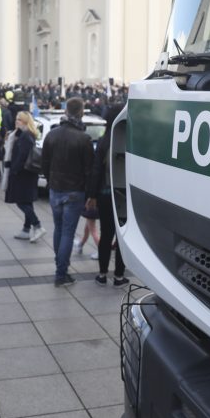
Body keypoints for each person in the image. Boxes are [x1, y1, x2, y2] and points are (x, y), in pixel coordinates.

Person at [41, 96, 94, 287]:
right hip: (74, 191)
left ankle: (60, 268)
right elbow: (89, 170)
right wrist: (90, 194)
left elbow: (44, 164)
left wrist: (50, 181)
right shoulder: (84, 138)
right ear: (81, 112)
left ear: (65, 111)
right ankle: (61, 273)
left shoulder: (52, 135)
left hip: (56, 189)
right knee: (67, 233)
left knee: (59, 230)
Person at [86, 104, 129, 287]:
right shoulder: (130, 139)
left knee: (106, 234)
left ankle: (102, 274)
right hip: (124, 196)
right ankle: (119, 276)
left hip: (104, 194)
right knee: (122, 237)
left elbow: (96, 170)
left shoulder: (104, 141)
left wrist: (92, 195)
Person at [5, 111, 45, 243]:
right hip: (28, 174)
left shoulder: (25, 136)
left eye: (20, 120)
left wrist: (14, 171)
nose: (17, 121)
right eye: (16, 119)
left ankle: (37, 225)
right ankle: (26, 229)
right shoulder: (27, 134)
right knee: (27, 201)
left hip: (22, 174)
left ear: (26, 122)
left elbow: (21, 157)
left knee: (21, 201)